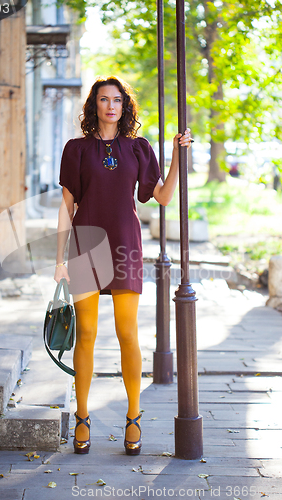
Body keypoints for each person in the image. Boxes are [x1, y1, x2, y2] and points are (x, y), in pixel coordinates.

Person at [54, 76, 192, 455]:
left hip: (125, 246)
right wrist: (58, 260)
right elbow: (67, 208)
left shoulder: (138, 148)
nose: (111, 106)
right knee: (87, 334)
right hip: (85, 245)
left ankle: (133, 417)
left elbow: (161, 197)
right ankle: (82, 418)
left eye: (117, 100)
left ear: (124, 105)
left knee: (127, 333)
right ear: (94, 105)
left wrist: (179, 154)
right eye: (103, 99)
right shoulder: (76, 149)